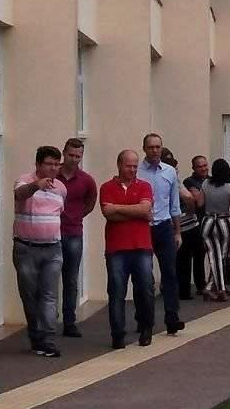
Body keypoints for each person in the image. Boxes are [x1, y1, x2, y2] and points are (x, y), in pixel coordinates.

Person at [13, 146, 66, 357]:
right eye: (49, 164)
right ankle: (36, 336)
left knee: (49, 295)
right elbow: (19, 194)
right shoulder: (24, 181)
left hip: (52, 248)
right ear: (38, 165)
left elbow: (60, 212)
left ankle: (48, 339)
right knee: (30, 295)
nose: (53, 168)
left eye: (56, 164)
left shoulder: (61, 188)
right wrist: (36, 185)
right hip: (26, 248)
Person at [101, 149, 157, 348]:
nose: (132, 170)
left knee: (145, 289)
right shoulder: (107, 187)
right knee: (116, 291)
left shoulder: (144, 186)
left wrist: (118, 208)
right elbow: (108, 213)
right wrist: (137, 212)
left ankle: (146, 328)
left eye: (135, 166)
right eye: (128, 166)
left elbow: (145, 209)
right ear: (119, 164)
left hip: (142, 246)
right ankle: (117, 334)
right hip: (116, 248)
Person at [138, 133, 188, 336]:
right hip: (143, 227)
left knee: (169, 273)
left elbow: (174, 204)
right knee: (144, 276)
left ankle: (172, 317)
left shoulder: (169, 172)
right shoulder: (137, 172)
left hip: (165, 226)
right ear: (144, 149)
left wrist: (178, 232)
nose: (155, 150)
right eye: (151, 147)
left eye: (158, 147)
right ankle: (144, 319)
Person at [56, 137, 96, 339]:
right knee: (49, 277)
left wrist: (77, 215)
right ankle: (48, 318)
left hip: (73, 232)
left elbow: (91, 201)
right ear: (64, 153)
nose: (74, 159)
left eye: (78, 156)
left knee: (71, 278)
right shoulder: (53, 175)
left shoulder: (86, 180)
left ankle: (69, 321)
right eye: (71, 155)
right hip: (51, 231)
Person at [200, 158, 230, 302]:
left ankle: (211, 287)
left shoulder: (205, 184)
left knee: (213, 255)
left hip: (208, 221)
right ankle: (220, 289)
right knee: (221, 256)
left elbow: (200, 203)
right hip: (223, 221)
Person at [177, 155, 210, 301]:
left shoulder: (210, 180)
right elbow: (197, 201)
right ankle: (187, 288)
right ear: (193, 168)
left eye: (205, 165)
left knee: (201, 254)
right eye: (199, 166)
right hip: (193, 223)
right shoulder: (189, 181)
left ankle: (202, 285)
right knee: (187, 256)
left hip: (209, 221)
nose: (203, 168)